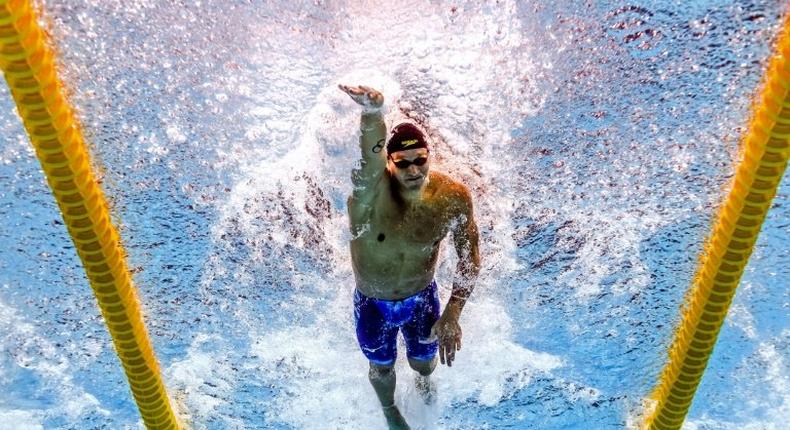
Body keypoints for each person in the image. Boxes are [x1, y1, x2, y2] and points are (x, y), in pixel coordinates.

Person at [339, 84, 481, 430]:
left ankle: (422, 382)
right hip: (373, 304)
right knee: (382, 367)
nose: (414, 170)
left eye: (421, 160)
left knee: (424, 365)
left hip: (422, 298)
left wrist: (452, 313)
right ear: (389, 163)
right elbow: (368, 154)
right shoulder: (371, 194)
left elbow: (470, 260)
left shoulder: (452, 197)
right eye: (403, 163)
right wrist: (373, 113)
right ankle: (390, 411)